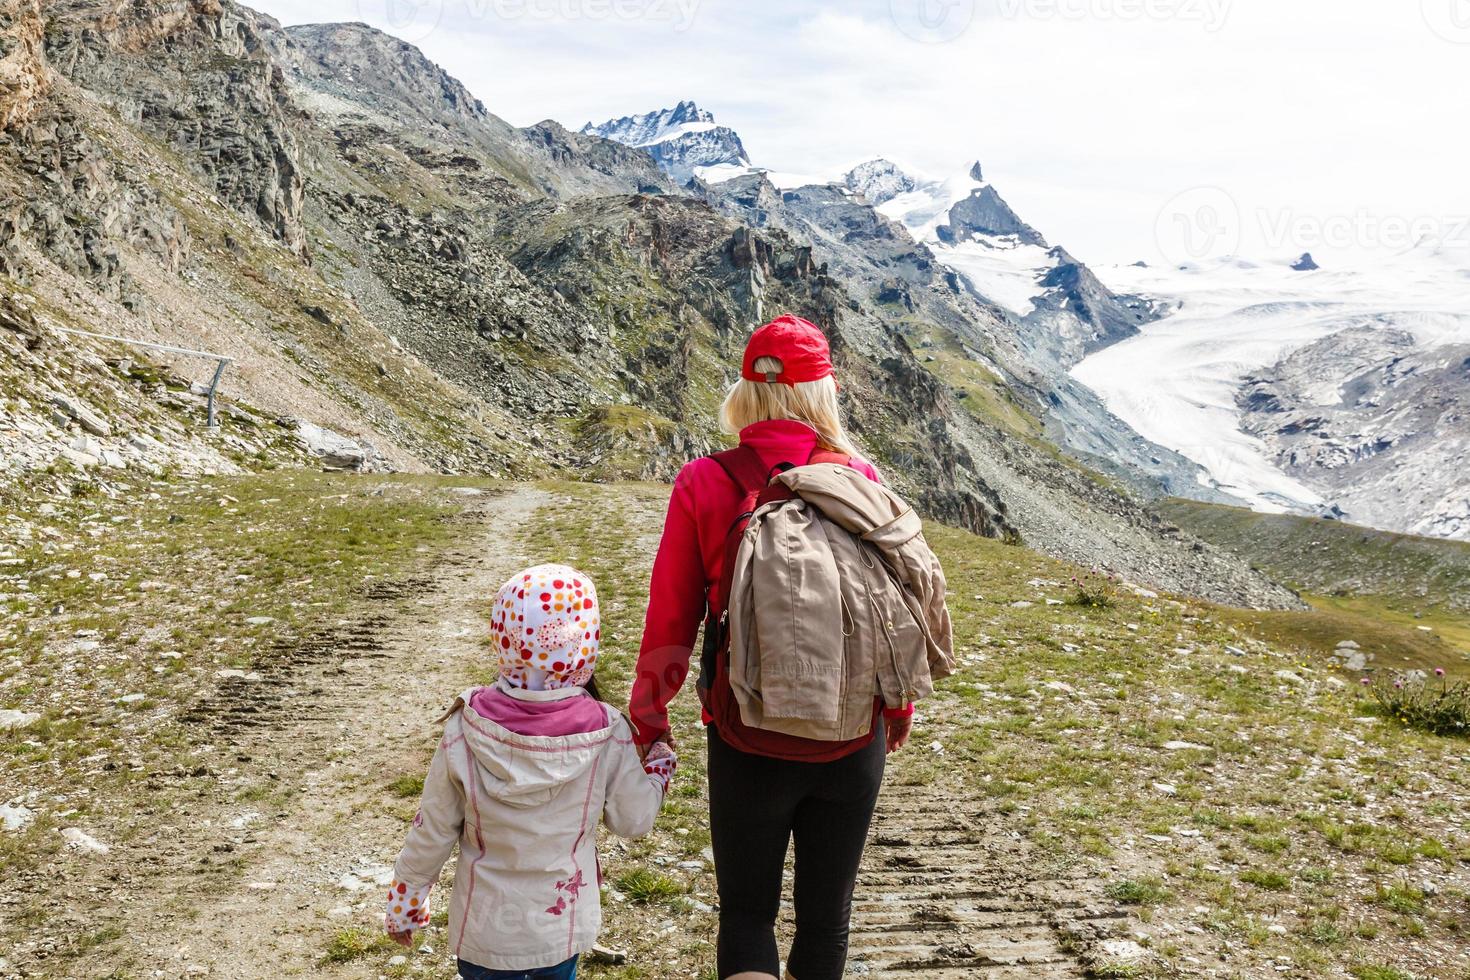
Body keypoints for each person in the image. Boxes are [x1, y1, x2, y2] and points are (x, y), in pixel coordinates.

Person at [630, 314, 914, 980]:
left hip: (745, 733)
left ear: (747, 391)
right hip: (851, 735)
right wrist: (895, 709)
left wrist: (650, 713)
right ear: (824, 394)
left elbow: (671, 618)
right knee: (825, 921)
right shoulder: (860, 477)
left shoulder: (705, 481)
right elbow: (892, 608)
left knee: (748, 918)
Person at [383, 564, 676, 980]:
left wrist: (407, 899)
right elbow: (633, 819)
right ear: (587, 641)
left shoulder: (467, 725)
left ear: (501, 635)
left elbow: (432, 826)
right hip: (560, 929)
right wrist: (660, 765)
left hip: (483, 934)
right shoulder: (606, 731)